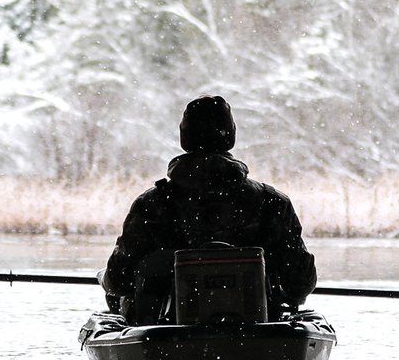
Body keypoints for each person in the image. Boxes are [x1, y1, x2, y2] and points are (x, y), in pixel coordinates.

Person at [102, 96, 317, 323]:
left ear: (184, 137)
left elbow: (118, 281)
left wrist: (106, 279)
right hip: (258, 330)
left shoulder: (151, 204)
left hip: (166, 337)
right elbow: (301, 283)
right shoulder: (273, 203)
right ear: (231, 135)